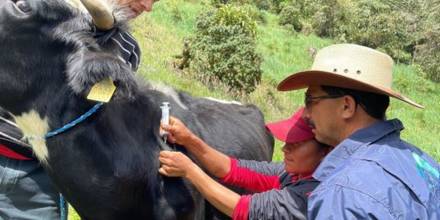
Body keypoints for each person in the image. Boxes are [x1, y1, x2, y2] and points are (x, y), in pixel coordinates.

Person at [0, 0, 157, 219]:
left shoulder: (127, 49)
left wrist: (96, 37)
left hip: (40, 181)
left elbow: (96, 108)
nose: (148, 6)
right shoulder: (34, 6)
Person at [276, 43, 440, 219]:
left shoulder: (344, 194)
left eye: (310, 100)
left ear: (347, 106)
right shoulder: (420, 159)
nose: (306, 113)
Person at [159, 107, 333, 220]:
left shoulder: (310, 195)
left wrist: (190, 170)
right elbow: (232, 169)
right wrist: (189, 139)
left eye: (297, 144)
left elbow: (243, 209)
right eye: (287, 141)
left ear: (325, 152)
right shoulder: (291, 174)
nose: (285, 149)